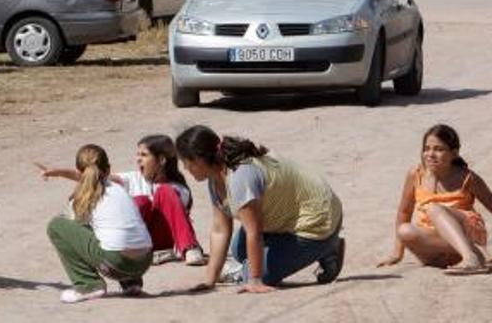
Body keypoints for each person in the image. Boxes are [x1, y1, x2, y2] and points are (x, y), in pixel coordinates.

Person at [175, 125, 345, 293]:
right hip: (284, 217)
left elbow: (253, 231)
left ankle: (328, 247)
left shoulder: (240, 176)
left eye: (186, 162)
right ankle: (300, 251)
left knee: (255, 272)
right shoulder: (215, 178)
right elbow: (220, 230)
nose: (185, 168)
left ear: (199, 159)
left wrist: (255, 280)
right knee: (239, 251)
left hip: (318, 220)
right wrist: (209, 280)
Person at [40, 135, 205, 266]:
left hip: (163, 239)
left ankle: (190, 248)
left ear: (161, 160)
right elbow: (96, 176)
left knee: (162, 192)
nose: (138, 159)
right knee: (140, 201)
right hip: (138, 243)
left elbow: (171, 214)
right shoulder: (133, 179)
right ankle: (134, 251)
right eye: (138, 155)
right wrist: (59, 172)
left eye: (144, 155)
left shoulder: (178, 189)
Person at [42, 144, 153, 303]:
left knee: (57, 226)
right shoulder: (120, 189)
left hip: (116, 264)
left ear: (79, 172)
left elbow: (78, 232)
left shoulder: (82, 197)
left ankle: (88, 285)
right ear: (108, 170)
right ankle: (131, 283)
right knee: (114, 228)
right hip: (144, 261)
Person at [377, 124, 492, 275]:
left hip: (467, 234)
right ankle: (470, 257)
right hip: (436, 243)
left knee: (434, 208)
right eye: (427, 148)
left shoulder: (467, 178)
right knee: (404, 230)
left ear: (454, 153)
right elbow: (404, 212)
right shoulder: (415, 174)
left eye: (439, 149)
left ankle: (470, 256)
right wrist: (397, 253)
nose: (430, 154)